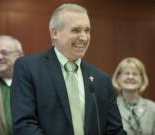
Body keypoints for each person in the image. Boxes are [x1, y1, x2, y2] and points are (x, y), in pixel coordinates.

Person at [11, 3, 126, 135]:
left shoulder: (101, 79)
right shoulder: (28, 68)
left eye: (87, 30)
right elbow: (24, 125)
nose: (84, 37)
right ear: (55, 33)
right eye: (76, 30)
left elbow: (115, 131)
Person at [112, 57, 155, 135]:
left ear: (142, 79)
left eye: (135, 74)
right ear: (118, 78)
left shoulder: (152, 108)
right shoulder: (110, 107)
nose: (130, 77)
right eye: (126, 73)